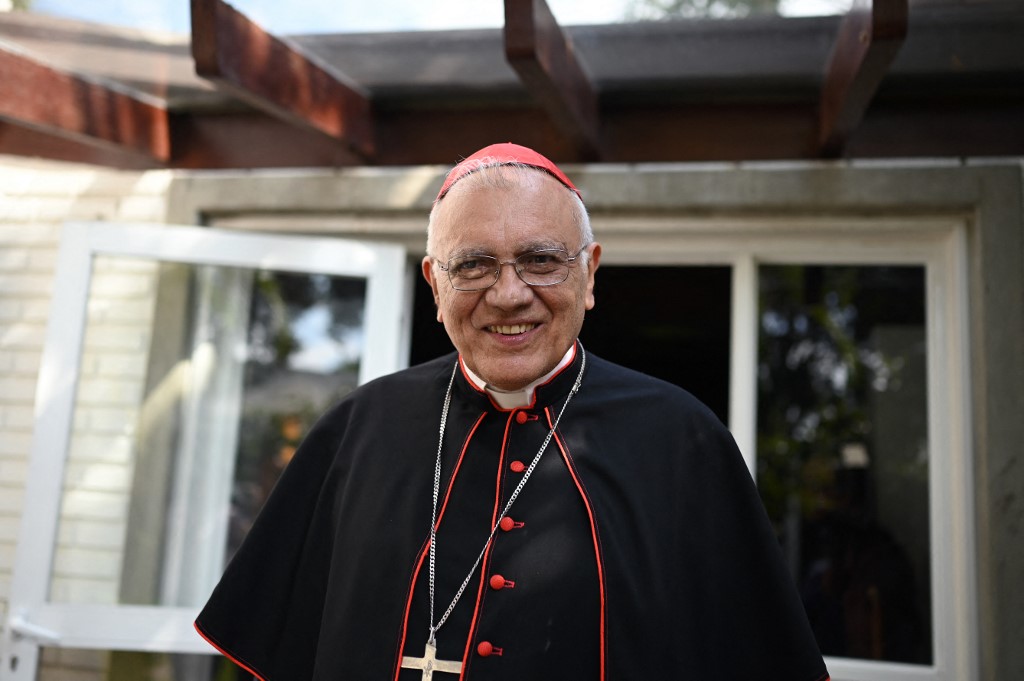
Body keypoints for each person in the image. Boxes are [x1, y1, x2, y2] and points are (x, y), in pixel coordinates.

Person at [195, 143, 830, 681]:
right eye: (472, 265)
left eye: (541, 260)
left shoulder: (682, 441)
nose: (508, 294)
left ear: (589, 273)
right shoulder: (359, 430)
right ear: (435, 285)